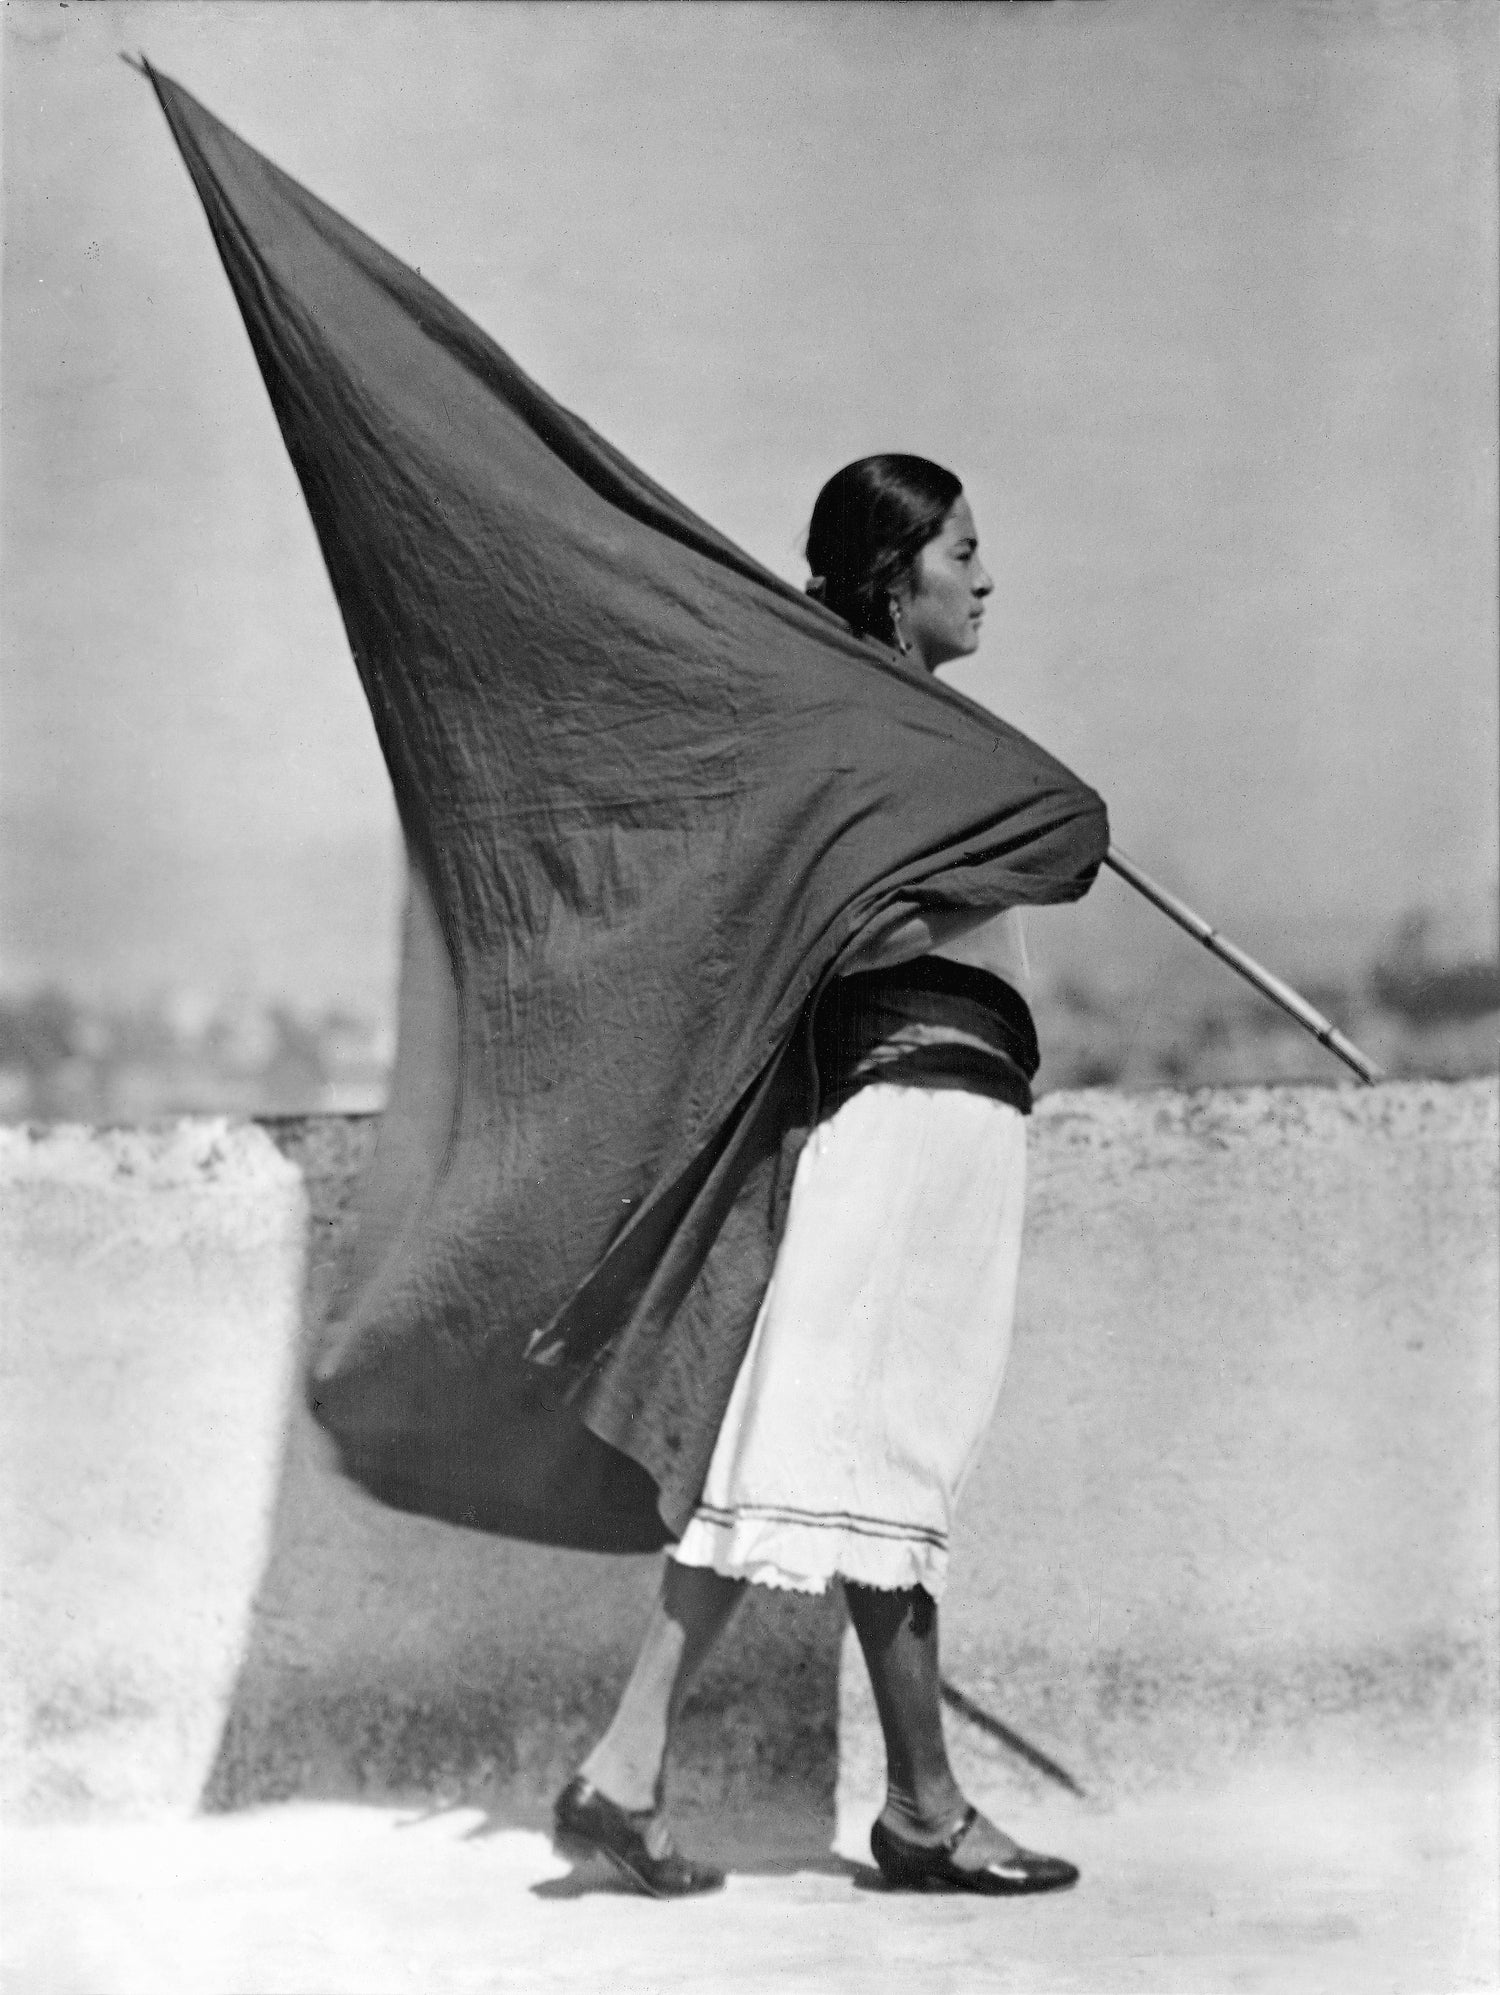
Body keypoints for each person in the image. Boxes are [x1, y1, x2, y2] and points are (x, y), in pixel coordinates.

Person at [554, 456, 1081, 1900]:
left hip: (927, 1110)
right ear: (893, 575)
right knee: (865, 1454)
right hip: (910, 1113)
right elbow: (827, 922)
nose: (985, 577)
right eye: (962, 552)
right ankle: (906, 1809)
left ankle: (647, 1771)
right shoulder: (865, 735)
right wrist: (1005, 837)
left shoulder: (894, 730)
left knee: (809, 1460)